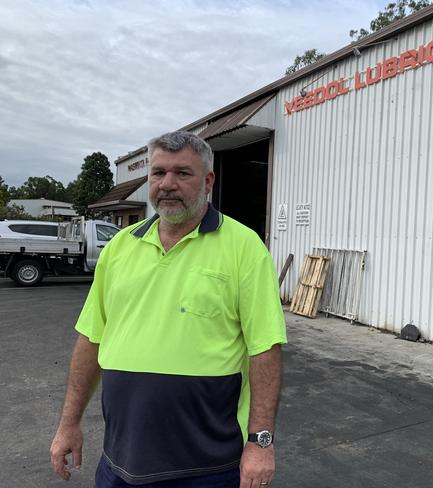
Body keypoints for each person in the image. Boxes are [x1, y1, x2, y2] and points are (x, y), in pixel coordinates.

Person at [50, 131, 287, 488]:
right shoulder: (119, 249)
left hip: (207, 467)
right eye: (158, 173)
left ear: (207, 181)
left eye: (182, 173)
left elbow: (265, 350)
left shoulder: (243, 247)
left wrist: (261, 443)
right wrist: (68, 424)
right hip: (119, 462)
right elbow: (91, 340)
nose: (167, 184)